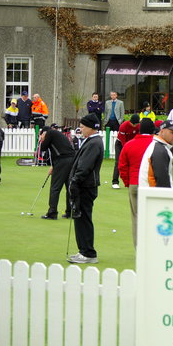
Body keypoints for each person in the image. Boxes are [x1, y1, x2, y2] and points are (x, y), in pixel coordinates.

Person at [66, 113, 104, 264]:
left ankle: (88, 253)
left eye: (82, 127)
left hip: (85, 186)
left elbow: (85, 166)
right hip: (84, 185)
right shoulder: (91, 141)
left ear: (90, 127)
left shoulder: (94, 143)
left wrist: (75, 181)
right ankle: (84, 250)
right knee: (80, 218)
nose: (80, 129)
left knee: (83, 219)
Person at [118, 118, 156, 247]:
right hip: (151, 184)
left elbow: (122, 166)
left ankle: (139, 248)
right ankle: (152, 247)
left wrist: (128, 183)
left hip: (134, 183)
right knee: (153, 216)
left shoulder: (130, 144)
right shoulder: (155, 144)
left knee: (136, 217)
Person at [38, 125, 76, 219]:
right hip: (71, 160)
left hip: (62, 161)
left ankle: (52, 213)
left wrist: (42, 139)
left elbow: (43, 148)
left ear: (44, 133)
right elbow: (56, 150)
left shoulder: (49, 133)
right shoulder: (58, 134)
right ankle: (70, 212)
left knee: (55, 187)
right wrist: (53, 166)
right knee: (69, 186)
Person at [139, 120, 173, 187]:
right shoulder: (160, 150)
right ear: (162, 131)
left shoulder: (158, 147)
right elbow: (162, 181)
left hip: (150, 191)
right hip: (153, 192)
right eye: (172, 132)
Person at [112, 114, 140, 188]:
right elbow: (123, 141)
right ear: (130, 122)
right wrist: (128, 149)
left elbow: (137, 138)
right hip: (120, 144)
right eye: (133, 124)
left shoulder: (138, 126)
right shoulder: (123, 126)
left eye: (136, 124)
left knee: (132, 163)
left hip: (131, 145)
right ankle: (115, 182)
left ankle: (131, 182)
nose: (135, 126)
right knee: (118, 162)